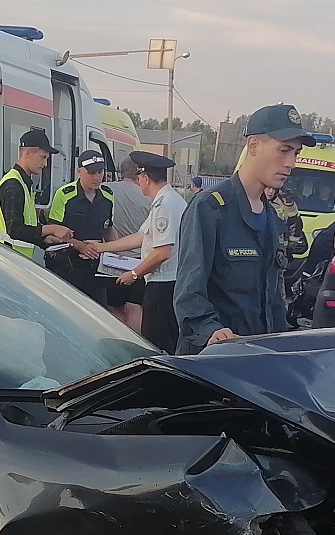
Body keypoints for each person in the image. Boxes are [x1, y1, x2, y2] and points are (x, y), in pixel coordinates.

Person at [173, 104, 310, 352]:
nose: (291, 163)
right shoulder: (211, 208)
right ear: (254, 145)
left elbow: (274, 300)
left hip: (258, 360)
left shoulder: (272, 216)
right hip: (215, 363)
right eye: (284, 150)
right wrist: (211, 330)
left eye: (296, 153)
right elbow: (188, 294)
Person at [91, 151, 185, 350]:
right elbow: (141, 237)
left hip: (164, 285)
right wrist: (102, 248)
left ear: (145, 177)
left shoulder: (166, 205)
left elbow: (162, 252)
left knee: (157, 342)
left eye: (139, 178)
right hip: (160, 283)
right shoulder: (163, 202)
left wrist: (134, 274)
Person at [42, 151, 117, 303]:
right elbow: (52, 233)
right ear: (79, 171)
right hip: (68, 265)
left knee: (99, 310)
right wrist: (79, 245)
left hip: (96, 266)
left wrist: (115, 251)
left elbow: (108, 228)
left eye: (100, 172)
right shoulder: (64, 195)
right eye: (91, 173)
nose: (96, 177)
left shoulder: (108, 196)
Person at [0, 128, 61, 258]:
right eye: (43, 157)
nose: (45, 164)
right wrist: (51, 229)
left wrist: (44, 239)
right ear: (27, 153)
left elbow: (27, 228)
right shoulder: (13, 184)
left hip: (15, 259)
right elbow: (15, 230)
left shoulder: (23, 183)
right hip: (8, 259)